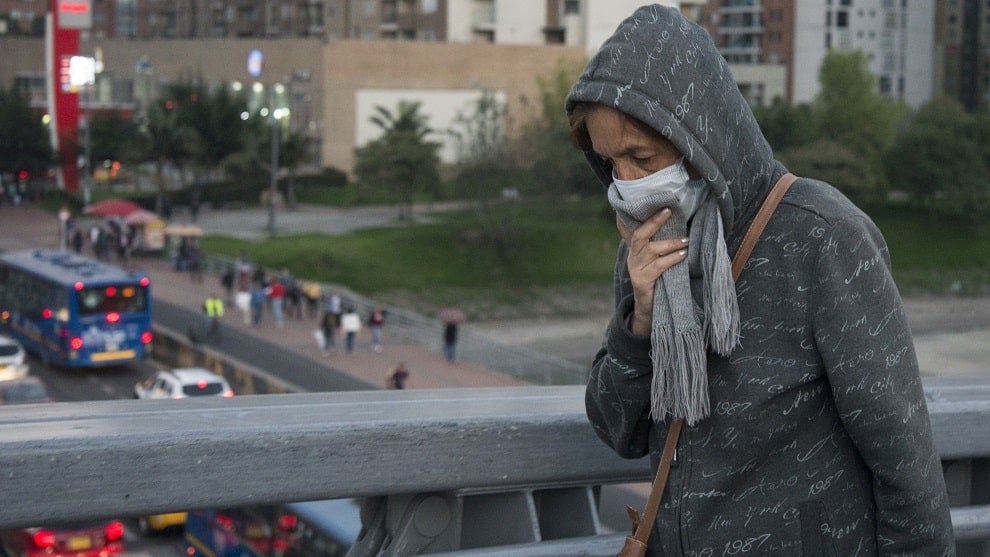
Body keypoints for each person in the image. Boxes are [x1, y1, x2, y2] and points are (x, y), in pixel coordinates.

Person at [566, 5, 953, 556]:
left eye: (640, 156)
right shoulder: (649, 248)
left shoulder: (824, 236)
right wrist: (639, 322)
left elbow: (902, 455)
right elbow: (619, 432)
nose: (626, 183)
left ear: (699, 134)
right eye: (610, 162)